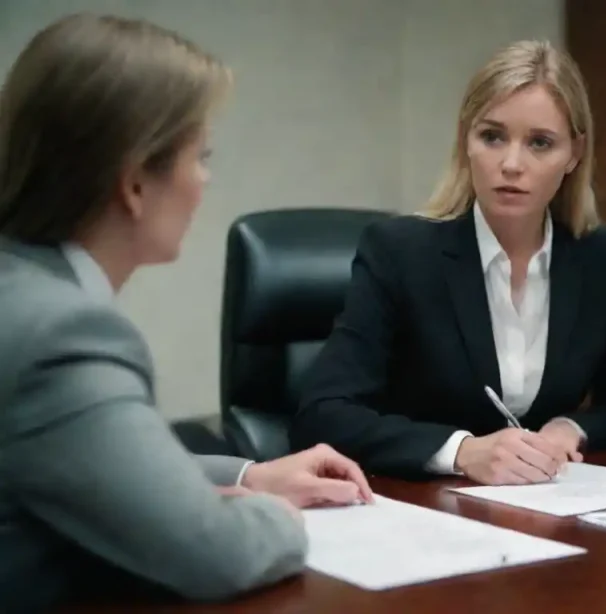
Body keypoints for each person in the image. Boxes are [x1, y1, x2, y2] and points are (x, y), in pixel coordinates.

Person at [0, 13, 372, 611]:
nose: (204, 181)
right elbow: (216, 553)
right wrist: (275, 516)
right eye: (199, 156)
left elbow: (92, 460)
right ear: (134, 183)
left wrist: (249, 476)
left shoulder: (20, 289)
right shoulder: (61, 335)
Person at [291, 40, 606, 484]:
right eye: (492, 137)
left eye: (540, 143)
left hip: (545, 507)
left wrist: (572, 428)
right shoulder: (400, 252)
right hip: (421, 512)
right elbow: (323, 414)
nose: (512, 164)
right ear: (466, 140)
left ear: (574, 154)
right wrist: (461, 451)